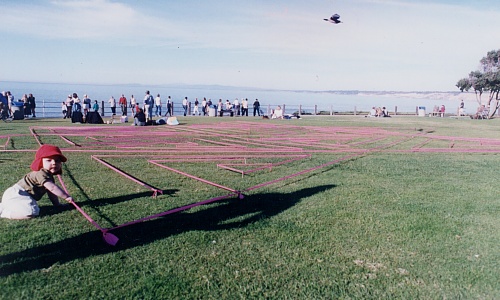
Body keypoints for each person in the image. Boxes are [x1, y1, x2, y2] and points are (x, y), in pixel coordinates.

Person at [0, 145, 73, 219]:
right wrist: (66, 197)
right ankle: (4, 212)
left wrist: (57, 205)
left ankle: (6, 206)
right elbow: (52, 188)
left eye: (57, 160)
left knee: (33, 209)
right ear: (40, 162)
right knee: (31, 212)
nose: (54, 163)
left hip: (20, 195)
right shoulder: (41, 173)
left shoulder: (48, 175)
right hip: (17, 194)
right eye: (49, 160)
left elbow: (51, 193)